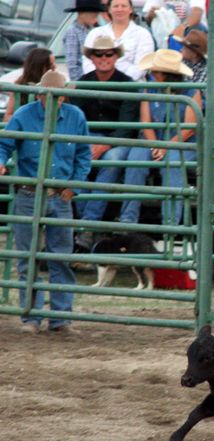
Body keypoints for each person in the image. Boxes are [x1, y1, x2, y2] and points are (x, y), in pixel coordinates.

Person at [0, 71, 91, 334]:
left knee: (59, 257)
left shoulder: (76, 117)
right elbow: (4, 144)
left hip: (59, 195)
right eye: (46, 93)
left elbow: (84, 153)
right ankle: (32, 316)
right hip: (29, 193)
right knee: (28, 258)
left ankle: (60, 317)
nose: (51, 98)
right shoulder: (24, 115)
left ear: (63, 95)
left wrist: (74, 186)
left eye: (56, 94)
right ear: (39, 93)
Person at [70, 36, 140, 249]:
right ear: (91, 57)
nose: (104, 58)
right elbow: (76, 119)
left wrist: (105, 144)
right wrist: (88, 142)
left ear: (116, 56)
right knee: (77, 162)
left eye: (108, 53)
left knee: (111, 161)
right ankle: (87, 226)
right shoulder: (83, 82)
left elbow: (127, 125)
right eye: (98, 54)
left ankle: (86, 226)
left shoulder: (128, 85)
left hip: (117, 140)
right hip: (89, 137)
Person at [118, 49, 202, 226]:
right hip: (155, 141)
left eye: (156, 72)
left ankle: (170, 222)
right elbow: (146, 122)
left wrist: (165, 146)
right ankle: (127, 218)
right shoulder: (150, 88)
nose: (152, 74)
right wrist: (157, 145)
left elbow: (189, 129)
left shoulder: (192, 92)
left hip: (181, 144)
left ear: (167, 74)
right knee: (136, 159)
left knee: (173, 162)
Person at [83, 0, 155, 80]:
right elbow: (87, 61)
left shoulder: (143, 34)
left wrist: (121, 82)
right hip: (97, 86)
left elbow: (142, 65)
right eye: (115, 6)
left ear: (131, 9)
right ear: (109, 9)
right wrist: (100, 80)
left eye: (123, 6)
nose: (119, 9)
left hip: (132, 88)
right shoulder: (95, 33)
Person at [3, 48, 56, 122]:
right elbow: (8, 116)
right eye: (50, 65)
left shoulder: (57, 85)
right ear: (38, 66)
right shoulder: (20, 86)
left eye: (54, 65)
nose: (55, 68)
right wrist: (25, 123)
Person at [62, 0, 107, 81]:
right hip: (85, 82)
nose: (96, 17)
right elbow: (73, 65)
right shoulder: (73, 32)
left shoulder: (94, 30)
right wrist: (82, 84)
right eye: (94, 13)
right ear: (82, 13)